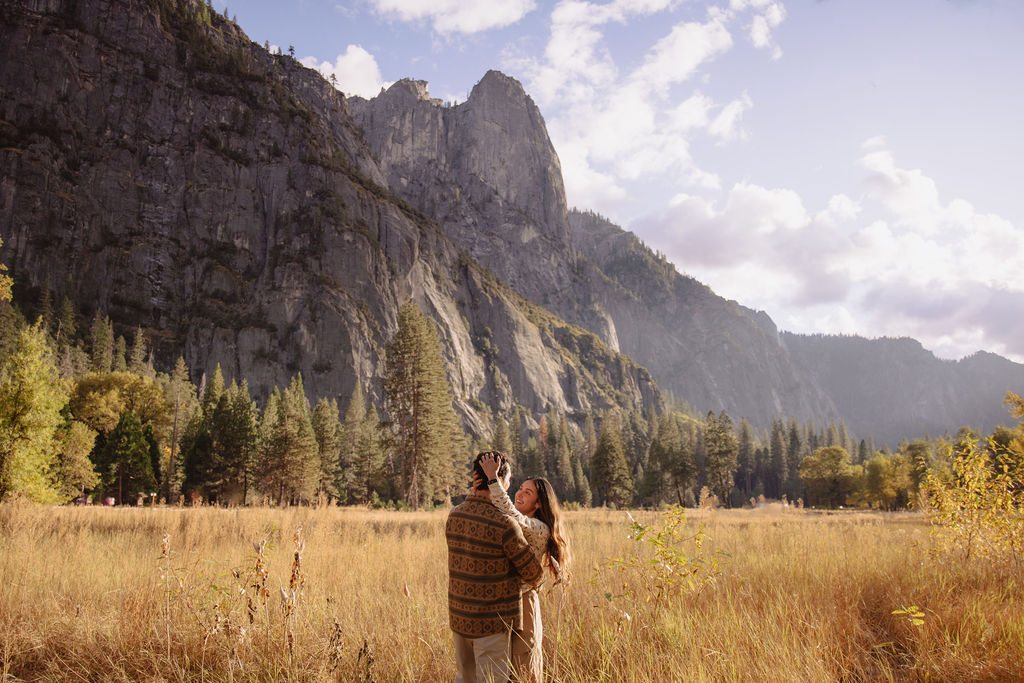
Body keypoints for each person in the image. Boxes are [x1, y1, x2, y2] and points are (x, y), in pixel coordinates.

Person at [446, 452, 543, 683]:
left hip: (459, 618)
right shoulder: (505, 524)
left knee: (465, 678)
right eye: (508, 481)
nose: (509, 487)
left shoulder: (454, 516)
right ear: (498, 481)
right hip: (491, 624)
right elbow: (533, 573)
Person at [480, 453, 572, 683]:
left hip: (524, 603)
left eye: (527, 492)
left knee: (524, 668)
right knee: (499, 669)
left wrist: (493, 478)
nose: (519, 494)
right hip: (502, 603)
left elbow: (509, 510)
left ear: (539, 503)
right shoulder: (513, 523)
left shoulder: (539, 528)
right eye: (519, 488)